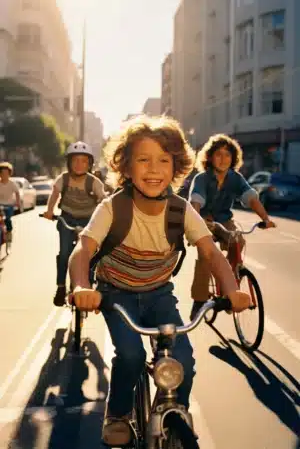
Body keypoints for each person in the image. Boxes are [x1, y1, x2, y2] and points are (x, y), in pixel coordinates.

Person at [68, 116, 251, 447]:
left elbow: (212, 253)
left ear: (176, 167)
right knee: (130, 356)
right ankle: (119, 413)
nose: (154, 169)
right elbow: (83, 249)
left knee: (185, 364)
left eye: (163, 160)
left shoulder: (180, 210)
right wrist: (82, 287)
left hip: (159, 295)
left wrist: (232, 290)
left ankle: (172, 414)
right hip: (116, 294)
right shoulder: (114, 207)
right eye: (143, 159)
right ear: (125, 166)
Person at [189, 133, 276, 318]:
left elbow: (251, 198)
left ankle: (229, 285)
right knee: (205, 257)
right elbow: (195, 202)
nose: (223, 159)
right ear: (210, 157)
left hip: (225, 220)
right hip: (205, 221)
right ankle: (199, 300)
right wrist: (197, 225)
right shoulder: (202, 179)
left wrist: (266, 218)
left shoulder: (235, 178)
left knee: (239, 241)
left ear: (233, 158)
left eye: (227, 155)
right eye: (218, 154)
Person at [43, 141, 106, 306]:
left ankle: (88, 284)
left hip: (88, 221)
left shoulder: (93, 182)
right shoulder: (63, 179)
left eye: (84, 161)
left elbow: (103, 200)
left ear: (90, 164)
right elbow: (55, 194)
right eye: (75, 160)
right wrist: (49, 211)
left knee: (89, 253)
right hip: (67, 218)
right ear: (69, 163)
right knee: (64, 253)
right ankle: (61, 287)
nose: (79, 164)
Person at [0, 162, 20, 242]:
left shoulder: (12, 184)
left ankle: (9, 233)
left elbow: (17, 192)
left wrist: (17, 202)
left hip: (9, 205)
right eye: (2, 173)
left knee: (8, 220)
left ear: (9, 173)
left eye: (6, 173)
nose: (4, 175)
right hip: (0, 204)